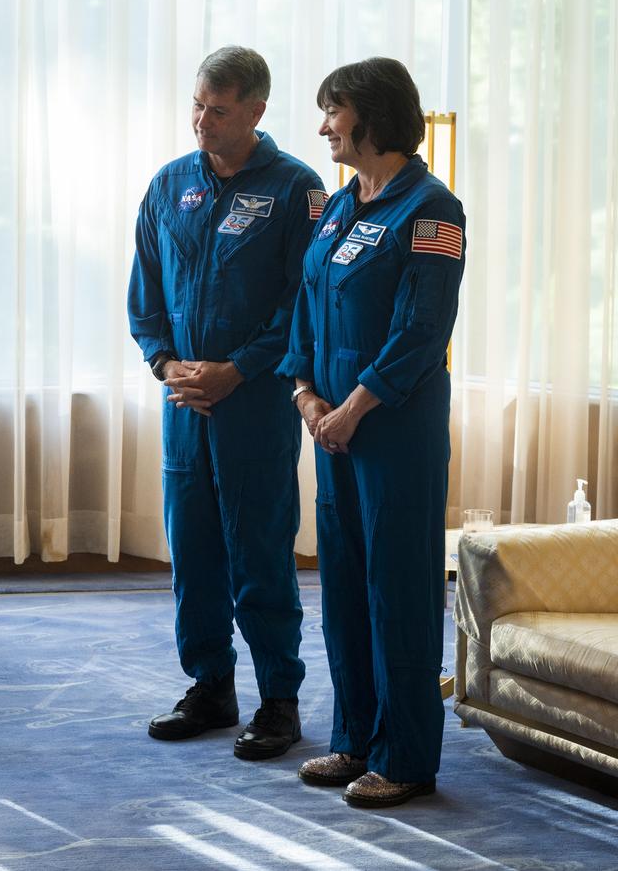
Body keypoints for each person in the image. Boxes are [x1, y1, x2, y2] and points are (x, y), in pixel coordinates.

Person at [277, 58, 465, 808]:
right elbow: (306, 302)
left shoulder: (433, 210)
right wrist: (302, 391)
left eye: (334, 111)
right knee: (345, 589)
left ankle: (407, 755)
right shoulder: (335, 205)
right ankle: (353, 736)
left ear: (374, 116)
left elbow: (422, 332)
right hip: (330, 427)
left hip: (392, 432)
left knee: (399, 592)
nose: (324, 126)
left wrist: (351, 409)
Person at [128, 47, 325, 760]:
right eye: (197, 105)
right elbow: (146, 291)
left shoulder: (296, 191)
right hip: (185, 405)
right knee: (195, 552)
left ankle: (279, 698)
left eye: (217, 110)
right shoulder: (169, 184)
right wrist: (167, 364)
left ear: (256, 112)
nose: (201, 121)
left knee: (259, 551)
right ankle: (210, 685)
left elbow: (304, 303)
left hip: (253, 405)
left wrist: (237, 370)